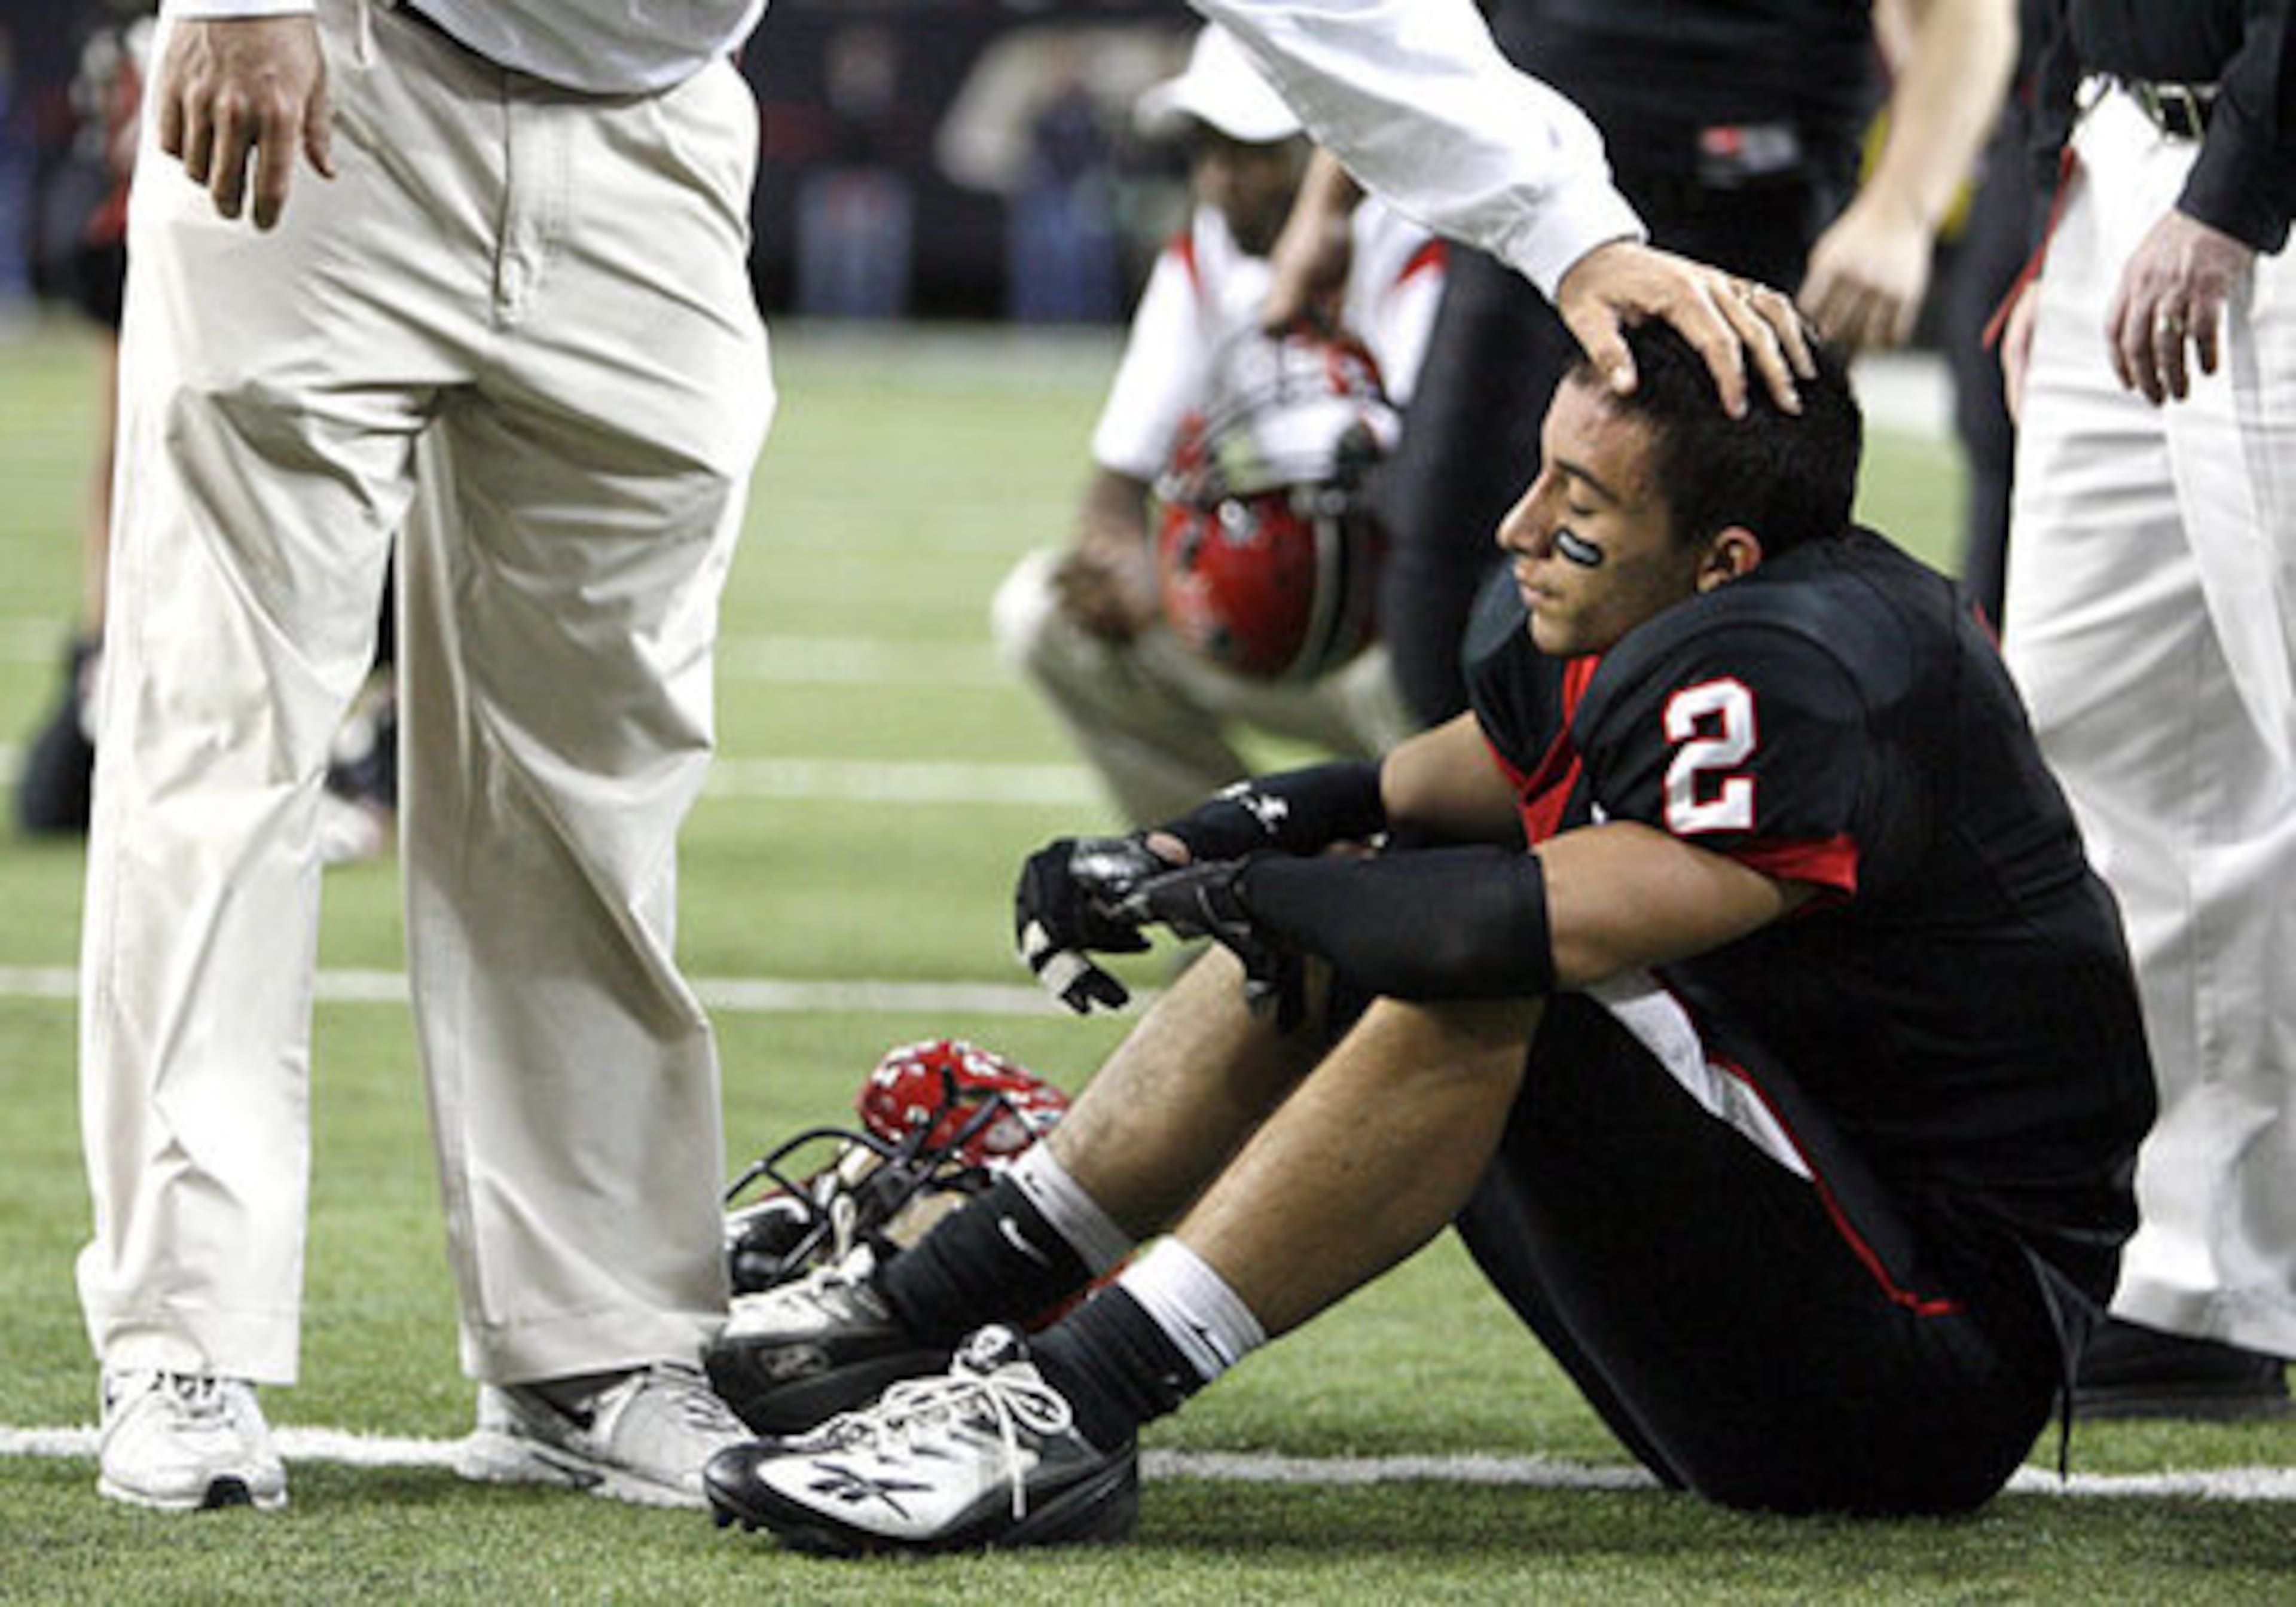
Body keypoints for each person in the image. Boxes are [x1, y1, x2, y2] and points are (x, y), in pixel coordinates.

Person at [72, 0, 1816, 1518]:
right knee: (230, 729)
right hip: (351, 64)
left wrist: (1562, 222)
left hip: (660, 118)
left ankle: (581, 1350)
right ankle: (184, 1341)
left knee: (594, 776)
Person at [700, 325, 2155, 1554]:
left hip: (1919, 1360)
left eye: (1576, 493)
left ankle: (1065, 1406)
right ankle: (920, 1311)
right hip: (1788, 1261)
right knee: (1385, 876)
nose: (1521, 522)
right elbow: (1415, 785)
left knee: (1472, 954)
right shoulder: (1649, 604)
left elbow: (1533, 921)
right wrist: (1190, 844)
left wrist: (1248, 895)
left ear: (1720, 557)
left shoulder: (1805, 667)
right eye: (1539, 469)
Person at [1265, 0, 2016, 728]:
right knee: (1439, 588)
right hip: (1522, 218)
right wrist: (1327, 205)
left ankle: (1641, 844)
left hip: (1736, 221)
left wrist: (1902, 210)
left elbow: (1968, 14)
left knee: (1692, 616)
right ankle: (1485, 843)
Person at [1995, 1, 2296, 1416]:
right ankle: (2200, 1277)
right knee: (2103, 737)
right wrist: (2058, 182)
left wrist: (2240, 181)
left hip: (2254, 180)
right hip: (2127, 156)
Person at [991, 25, 1442, 829]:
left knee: (1419, 661)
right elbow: (1113, 489)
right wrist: (1129, 566)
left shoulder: (1416, 241)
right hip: (1271, 622)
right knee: (1041, 616)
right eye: (1208, 149)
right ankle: (1239, 896)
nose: (1223, 179)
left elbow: (1450, 509)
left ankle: (1435, 915)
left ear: (1327, 147)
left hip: (1405, 647)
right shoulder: (1203, 255)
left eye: (1255, 152)